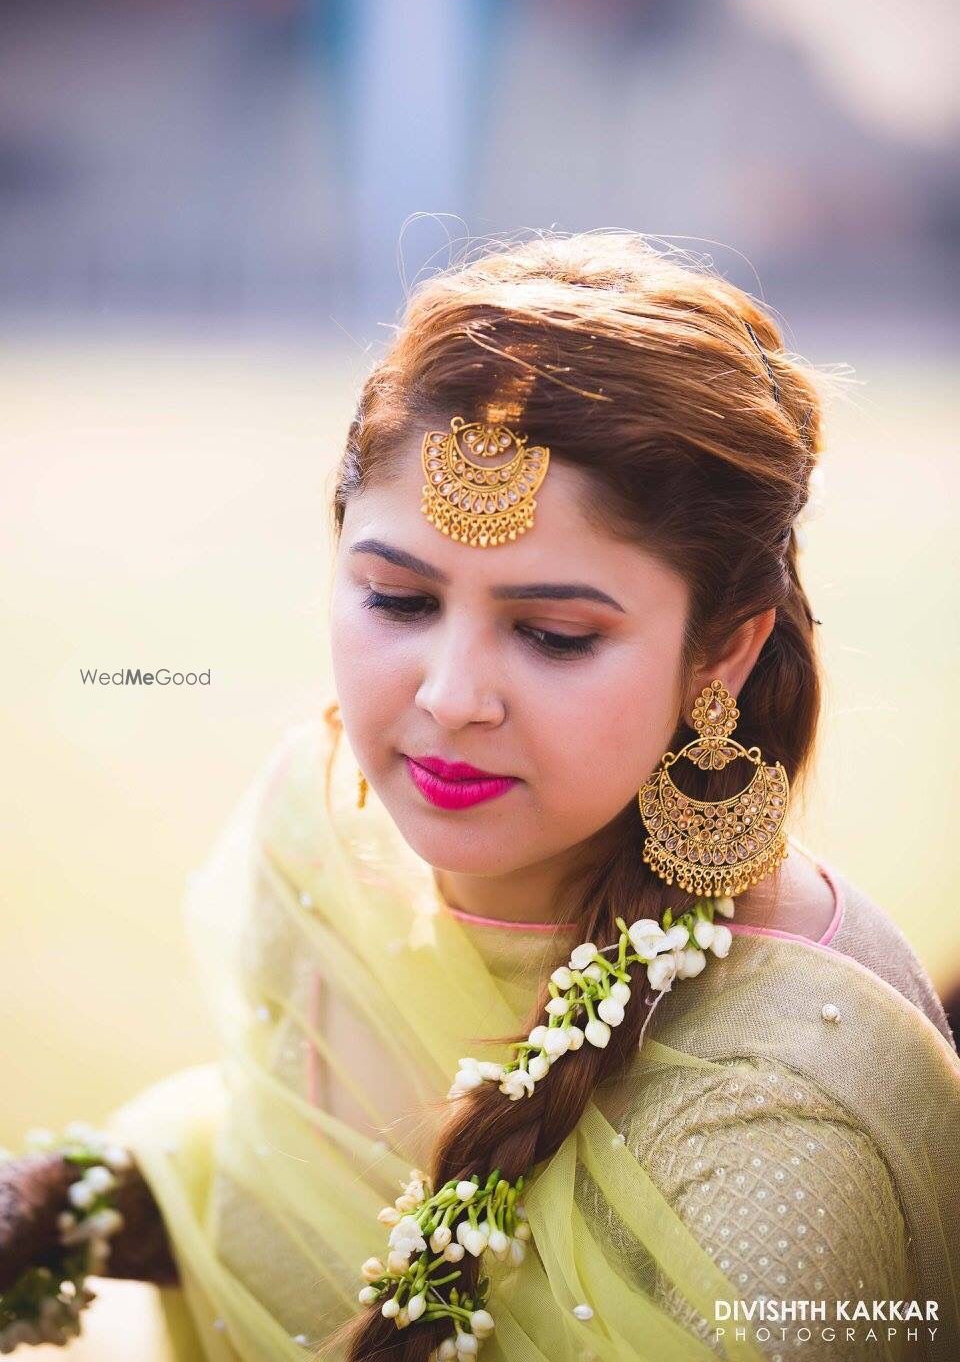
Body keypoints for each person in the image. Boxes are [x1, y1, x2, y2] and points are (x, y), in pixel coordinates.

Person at [1, 232, 957, 1362]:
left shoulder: (782, 1114)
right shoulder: (326, 839)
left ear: (723, 656)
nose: (452, 699)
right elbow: (286, 1175)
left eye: (554, 635)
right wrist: (64, 1200)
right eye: (398, 602)